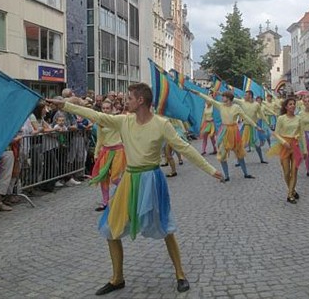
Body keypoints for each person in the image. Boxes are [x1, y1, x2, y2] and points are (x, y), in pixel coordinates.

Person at [47, 83, 223, 296]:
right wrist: (65, 105)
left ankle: (180, 274)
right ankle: (117, 278)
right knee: (111, 228)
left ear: (140, 101)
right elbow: (96, 116)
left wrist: (210, 169)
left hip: (152, 179)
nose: (126, 101)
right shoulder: (124, 121)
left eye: (129, 98)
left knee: (166, 227)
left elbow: (184, 147)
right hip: (129, 179)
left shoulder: (161, 124)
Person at [190, 89, 261, 181]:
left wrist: (256, 126)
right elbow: (210, 99)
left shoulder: (236, 107)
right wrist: (198, 92)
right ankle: (227, 176)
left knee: (239, 153)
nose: (221, 98)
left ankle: (246, 173)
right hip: (224, 131)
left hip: (234, 131)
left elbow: (245, 117)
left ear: (228, 98)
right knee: (222, 154)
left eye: (223, 96)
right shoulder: (220, 106)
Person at [267, 98, 307, 204]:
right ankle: (292, 190)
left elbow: (302, 134)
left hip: (295, 145)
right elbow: (276, 133)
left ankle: (289, 195)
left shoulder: (299, 118)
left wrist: (305, 150)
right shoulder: (281, 118)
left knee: (294, 171)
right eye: (290, 104)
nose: (293, 106)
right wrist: (283, 142)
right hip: (284, 145)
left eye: (294, 104)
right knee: (286, 172)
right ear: (286, 107)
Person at [90, 100, 127, 212]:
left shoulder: (117, 120)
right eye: (103, 108)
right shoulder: (100, 122)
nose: (105, 110)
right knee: (103, 177)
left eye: (107, 108)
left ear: (112, 109)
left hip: (118, 150)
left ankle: (126, 194)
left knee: (115, 177)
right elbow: (100, 139)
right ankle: (105, 202)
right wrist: (96, 153)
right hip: (105, 151)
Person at [235, 90, 268, 163]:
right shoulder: (242, 102)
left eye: (246, 95)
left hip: (254, 127)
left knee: (257, 145)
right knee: (242, 144)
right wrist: (221, 93)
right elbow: (233, 99)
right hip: (245, 127)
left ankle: (261, 159)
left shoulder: (256, 105)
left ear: (250, 96)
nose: (244, 96)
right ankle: (239, 161)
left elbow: (261, 114)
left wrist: (267, 122)